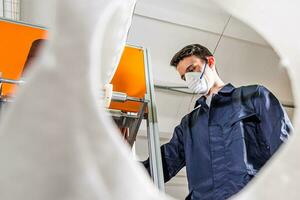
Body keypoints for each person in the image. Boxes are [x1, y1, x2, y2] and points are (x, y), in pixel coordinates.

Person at [143, 44, 293, 200]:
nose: (188, 79)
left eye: (191, 69)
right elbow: (160, 165)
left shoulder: (253, 97)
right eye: (183, 77)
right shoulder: (188, 125)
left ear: (211, 62)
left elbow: (285, 147)